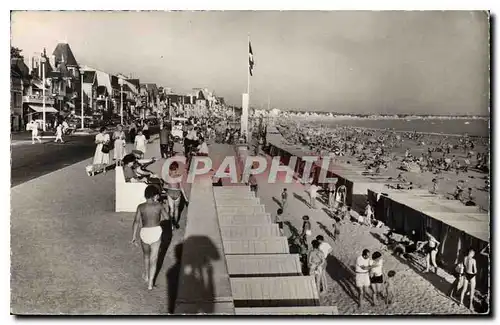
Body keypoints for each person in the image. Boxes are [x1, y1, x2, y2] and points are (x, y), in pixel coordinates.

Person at [131, 185, 169, 290]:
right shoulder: (159, 206)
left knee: (146, 256)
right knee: (154, 259)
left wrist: (133, 236)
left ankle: (146, 276)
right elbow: (167, 217)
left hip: (144, 232)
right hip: (156, 232)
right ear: (154, 195)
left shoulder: (140, 207)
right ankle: (150, 284)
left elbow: (136, 222)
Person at [162, 161, 187, 228]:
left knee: (171, 210)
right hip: (177, 193)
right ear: (177, 169)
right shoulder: (179, 177)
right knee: (176, 209)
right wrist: (186, 199)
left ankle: (171, 225)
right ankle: (175, 223)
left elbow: (165, 185)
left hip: (170, 193)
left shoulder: (167, 176)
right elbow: (181, 188)